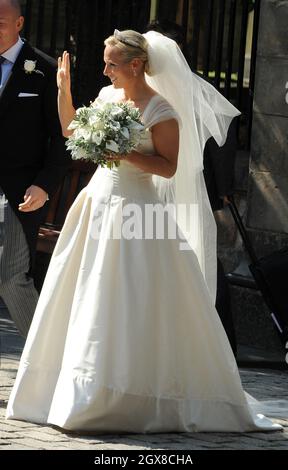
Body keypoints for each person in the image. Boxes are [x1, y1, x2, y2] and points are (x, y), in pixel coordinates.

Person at [6, 29, 282, 433]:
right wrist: (63, 91)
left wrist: (126, 153)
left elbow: (168, 167)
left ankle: (134, 393)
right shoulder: (106, 98)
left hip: (139, 211)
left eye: (111, 64)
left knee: (134, 294)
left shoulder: (162, 110)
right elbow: (72, 135)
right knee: (87, 289)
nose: (105, 71)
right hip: (97, 204)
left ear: (136, 65)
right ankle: (78, 391)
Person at [146, 20, 238, 356]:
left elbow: (220, 145)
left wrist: (221, 194)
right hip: (151, 190)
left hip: (189, 189)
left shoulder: (196, 89)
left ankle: (217, 340)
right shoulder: (142, 89)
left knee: (197, 257)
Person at [0, 0, 70, 337]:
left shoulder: (43, 69)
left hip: (19, 193)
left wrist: (45, 184)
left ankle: (41, 365)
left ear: (19, 24)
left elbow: (63, 137)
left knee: (10, 277)